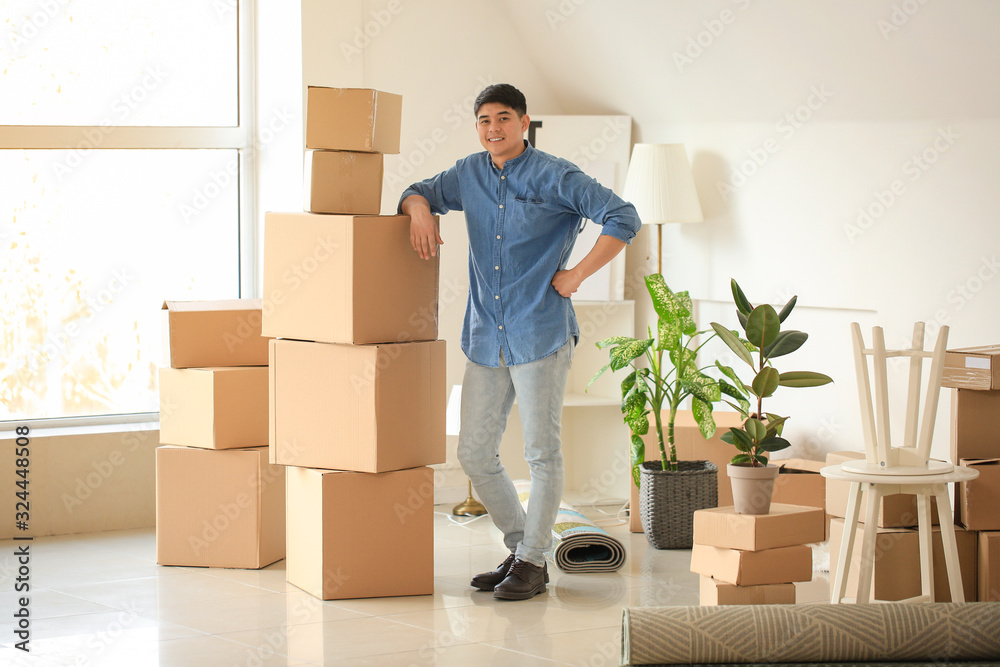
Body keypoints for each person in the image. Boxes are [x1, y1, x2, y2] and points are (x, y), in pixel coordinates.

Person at [399, 83, 641, 601]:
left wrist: (576, 275)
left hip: (540, 332)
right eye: (484, 120)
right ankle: (522, 550)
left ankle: (532, 560)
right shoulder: (468, 173)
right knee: (474, 452)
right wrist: (420, 208)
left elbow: (624, 216)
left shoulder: (556, 174)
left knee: (541, 453)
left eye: (503, 118)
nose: (493, 129)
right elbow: (417, 189)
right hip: (486, 335)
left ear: (524, 122)